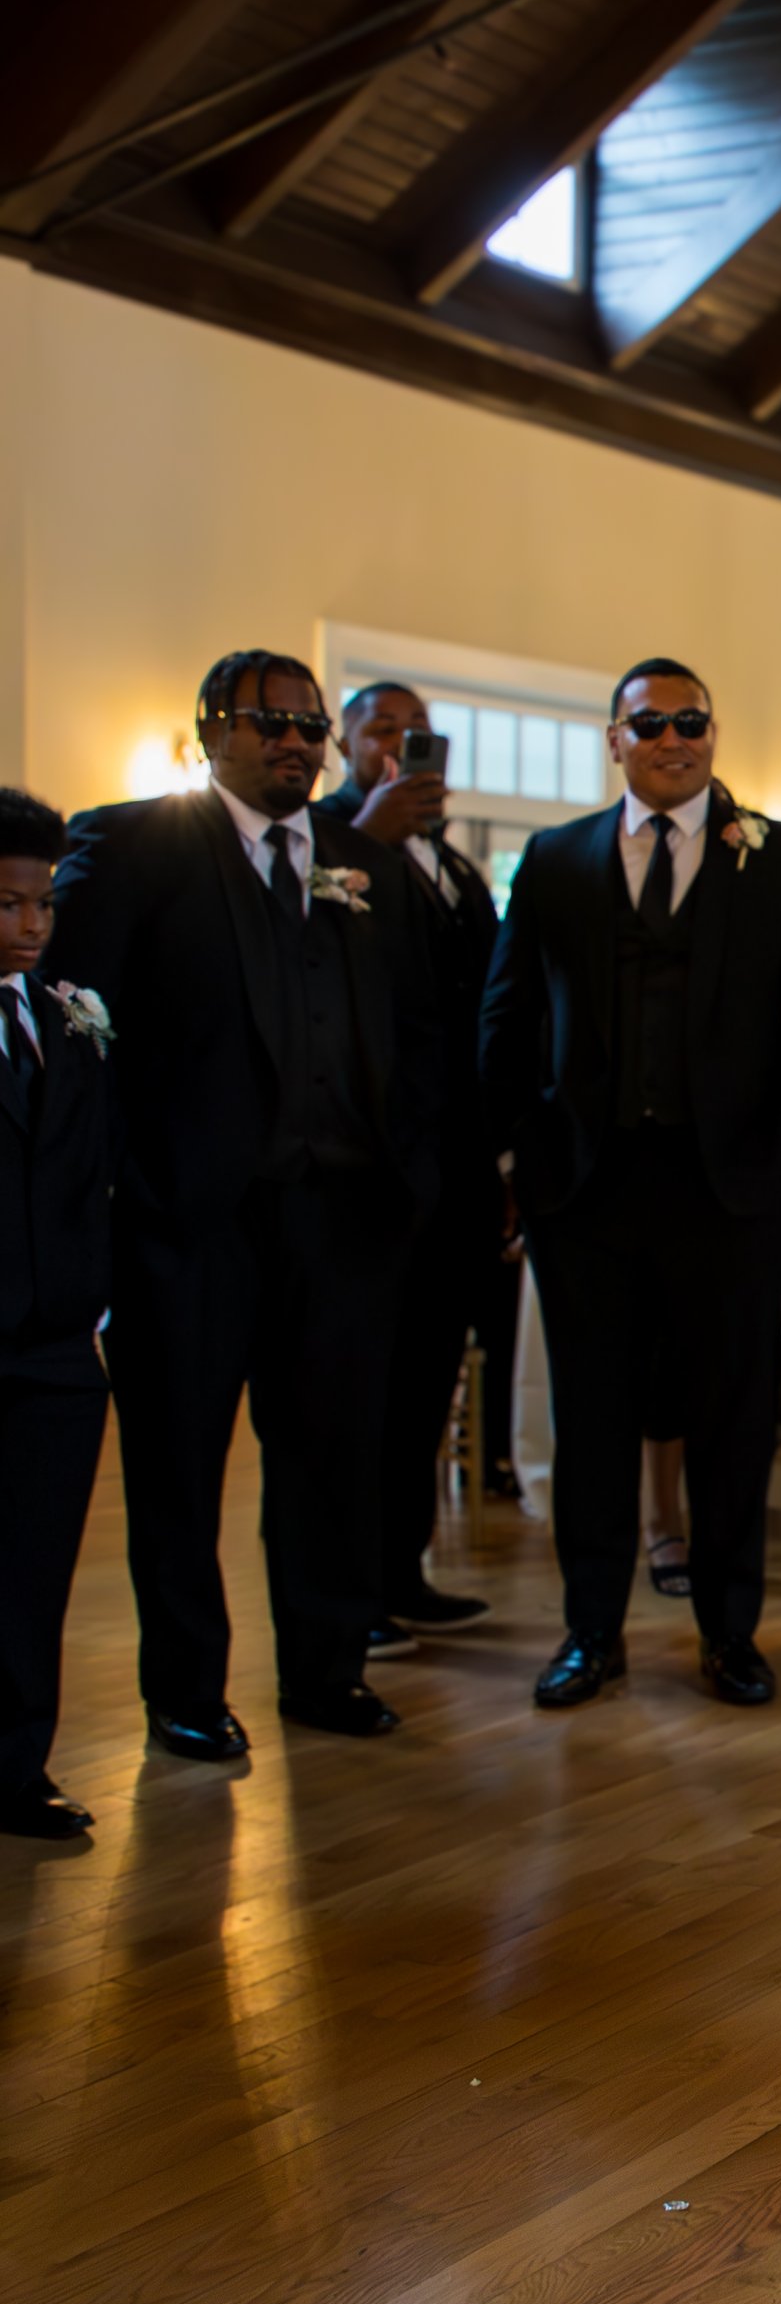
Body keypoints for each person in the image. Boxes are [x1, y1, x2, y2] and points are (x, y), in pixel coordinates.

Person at [49, 653, 441, 1757]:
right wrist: (122, 1185)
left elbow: (418, 1035)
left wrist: (406, 1179)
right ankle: (184, 1689)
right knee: (177, 1468)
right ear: (209, 729)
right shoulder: (131, 845)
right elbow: (80, 1028)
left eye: (310, 726)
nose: (296, 743)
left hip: (341, 1220)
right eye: (270, 722)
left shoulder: (368, 862)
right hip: (190, 1222)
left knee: (331, 1461)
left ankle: (327, 1671)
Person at [480, 660, 781, 1709]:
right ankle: (590, 1633)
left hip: (727, 1188)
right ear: (615, 739)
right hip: (584, 1191)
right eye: (651, 723)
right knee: (591, 1417)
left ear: (713, 735)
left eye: (691, 721)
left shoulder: (778, 857)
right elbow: (505, 1016)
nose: (672, 738)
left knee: (734, 1416)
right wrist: (515, 1152)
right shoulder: (553, 861)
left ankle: (730, 1634)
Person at [314, 681, 502, 1650]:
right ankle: (348, 1593)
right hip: (368, 1172)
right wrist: (369, 840)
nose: (399, 743)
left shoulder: (461, 872)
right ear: (343, 742)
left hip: (457, 1176)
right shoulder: (321, 845)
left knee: (429, 1380)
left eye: (415, 731)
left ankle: (403, 1569)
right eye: (379, 727)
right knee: (360, 1392)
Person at [0, 794, 115, 1840]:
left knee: (35, 1570)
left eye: (41, 904)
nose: (32, 926)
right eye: (6, 904)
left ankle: (15, 1764)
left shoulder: (63, 1015)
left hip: (56, 1345)